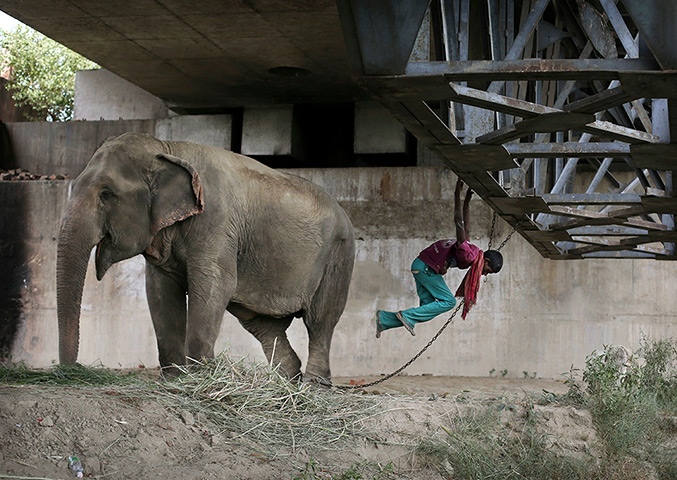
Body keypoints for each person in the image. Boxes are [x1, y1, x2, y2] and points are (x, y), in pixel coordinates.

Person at [375, 179, 503, 338]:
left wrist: (467, 200)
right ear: (487, 261)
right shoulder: (469, 255)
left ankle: (384, 320)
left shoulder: (473, 250)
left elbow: (466, 225)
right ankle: (406, 316)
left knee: (426, 309)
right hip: (425, 268)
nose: (484, 274)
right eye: (488, 271)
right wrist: (457, 195)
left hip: (420, 265)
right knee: (449, 302)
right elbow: (459, 224)